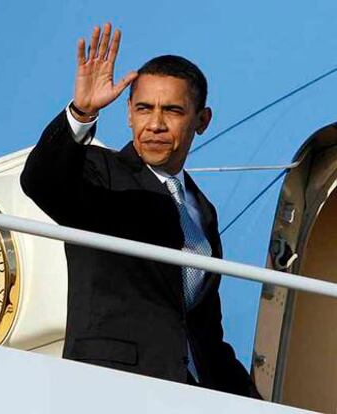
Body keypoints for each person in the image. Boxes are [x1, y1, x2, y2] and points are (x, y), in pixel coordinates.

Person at [21, 23, 260, 398]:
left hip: (191, 392)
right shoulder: (99, 172)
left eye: (173, 110)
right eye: (144, 109)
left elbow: (203, 330)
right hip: (111, 387)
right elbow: (41, 182)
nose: (156, 124)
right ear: (129, 114)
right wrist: (82, 112)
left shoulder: (203, 212)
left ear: (202, 120)